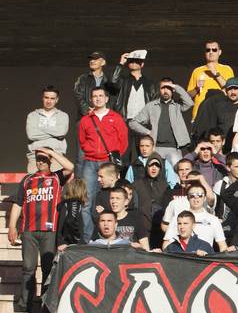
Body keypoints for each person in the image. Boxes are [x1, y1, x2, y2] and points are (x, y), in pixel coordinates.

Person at [8, 148, 74, 312]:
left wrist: (50, 152)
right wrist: (11, 226)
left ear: (50, 160)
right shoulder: (27, 179)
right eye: (39, 159)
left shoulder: (57, 177)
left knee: (47, 268)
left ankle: (46, 304)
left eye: (44, 159)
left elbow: (70, 167)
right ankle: (25, 304)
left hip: (49, 230)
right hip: (29, 231)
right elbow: (17, 204)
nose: (41, 162)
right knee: (28, 268)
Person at [77, 86, 129, 242]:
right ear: (91, 99)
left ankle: (113, 237)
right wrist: (90, 150)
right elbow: (82, 140)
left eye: (101, 96)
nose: (98, 98)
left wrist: (112, 155)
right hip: (90, 162)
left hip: (108, 161)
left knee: (112, 200)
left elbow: (123, 141)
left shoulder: (116, 117)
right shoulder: (86, 119)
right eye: (95, 96)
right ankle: (89, 239)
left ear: (107, 99)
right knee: (86, 202)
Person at [128, 78, 194, 164]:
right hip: (156, 148)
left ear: (173, 90)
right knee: (154, 175)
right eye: (163, 88)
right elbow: (132, 123)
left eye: (169, 88)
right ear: (159, 89)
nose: (166, 90)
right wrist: (147, 132)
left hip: (174, 148)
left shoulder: (177, 105)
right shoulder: (151, 106)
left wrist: (175, 86)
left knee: (176, 175)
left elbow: (190, 103)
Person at [26, 85, 70, 173]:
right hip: (35, 158)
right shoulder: (32, 115)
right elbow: (31, 135)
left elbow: (61, 132)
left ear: (57, 100)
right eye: (46, 97)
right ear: (42, 98)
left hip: (56, 157)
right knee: (33, 186)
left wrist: (41, 129)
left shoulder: (63, 116)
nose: (49, 101)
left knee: (55, 185)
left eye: (52, 98)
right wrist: (54, 132)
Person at [193, 77, 238, 149]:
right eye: (230, 89)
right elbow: (211, 127)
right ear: (226, 91)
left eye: (235, 88)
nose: (233, 92)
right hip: (221, 148)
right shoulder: (219, 106)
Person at [186, 40, 234, 120]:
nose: (211, 52)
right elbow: (187, 96)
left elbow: (231, 91)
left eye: (214, 50)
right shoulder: (197, 71)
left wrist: (216, 73)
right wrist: (196, 88)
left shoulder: (227, 69)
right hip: (200, 115)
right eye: (208, 50)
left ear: (219, 52)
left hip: (220, 115)